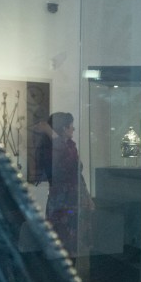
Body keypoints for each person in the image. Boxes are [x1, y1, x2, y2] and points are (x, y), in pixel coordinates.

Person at [35, 112, 94, 264]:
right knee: (60, 238)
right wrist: (49, 131)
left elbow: (77, 174)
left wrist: (86, 196)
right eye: (71, 126)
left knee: (73, 240)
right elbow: (62, 157)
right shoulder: (55, 149)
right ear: (63, 128)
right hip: (61, 200)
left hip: (72, 199)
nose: (73, 129)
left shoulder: (70, 146)